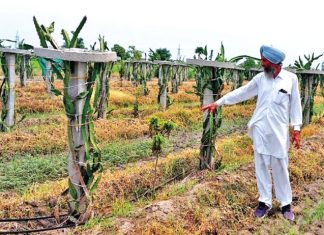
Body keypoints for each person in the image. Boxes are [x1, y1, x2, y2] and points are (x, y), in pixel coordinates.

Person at [201, 45, 302, 221]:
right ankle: (264, 202)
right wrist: (218, 103)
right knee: (261, 165)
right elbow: (242, 92)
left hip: (279, 132)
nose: (262, 64)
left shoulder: (291, 79)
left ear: (274, 63)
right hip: (261, 129)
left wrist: (296, 130)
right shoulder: (261, 79)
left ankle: (286, 204)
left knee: (280, 167)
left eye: (264, 61)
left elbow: (295, 105)